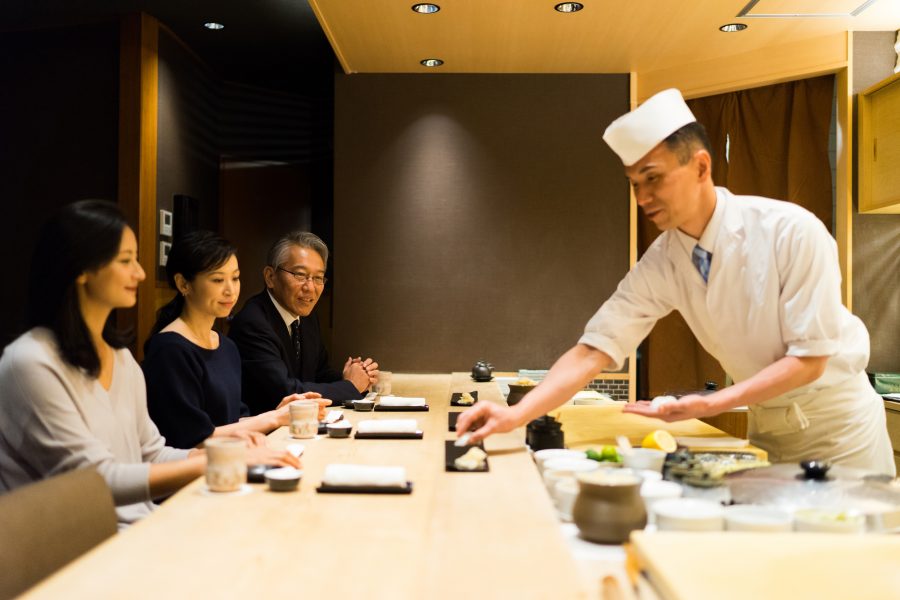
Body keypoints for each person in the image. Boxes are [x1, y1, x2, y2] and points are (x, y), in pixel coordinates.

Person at [458, 89, 895, 475]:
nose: (643, 198)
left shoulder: (791, 230)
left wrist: (709, 404)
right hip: (769, 429)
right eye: (634, 184)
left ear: (701, 165)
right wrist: (514, 416)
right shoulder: (665, 259)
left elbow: (810, 360)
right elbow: (596, 347)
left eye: (654, 178)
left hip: (841, 428)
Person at [0, 201, 299, 527]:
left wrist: (227, 452)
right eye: (126, 260)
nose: (140, 273)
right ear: (82, 269)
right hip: (75, 548)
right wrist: (219, 458)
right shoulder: (31, 362)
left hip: (141, 524)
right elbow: (94, 480)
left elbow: (151, 452)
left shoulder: (120, 357)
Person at [142, 230, 329, 450]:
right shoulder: (170, 348)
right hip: (191, 473)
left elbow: (234, 422)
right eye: (218, 279)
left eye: (235, 277)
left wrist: (279, 412)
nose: (230, 290)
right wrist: (274, 418)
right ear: (183, 284)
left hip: (230, 463)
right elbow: (191, 438)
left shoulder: (226, 346)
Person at [229, 231, 379, 415]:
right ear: (270, 277)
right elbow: (285, 392)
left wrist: (357, 376)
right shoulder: (252, 322)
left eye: (318, 278)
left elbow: (319, 374)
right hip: (264, 434)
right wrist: (350, 386)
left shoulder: (306, 317)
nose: (310, 288)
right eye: (300, 275)